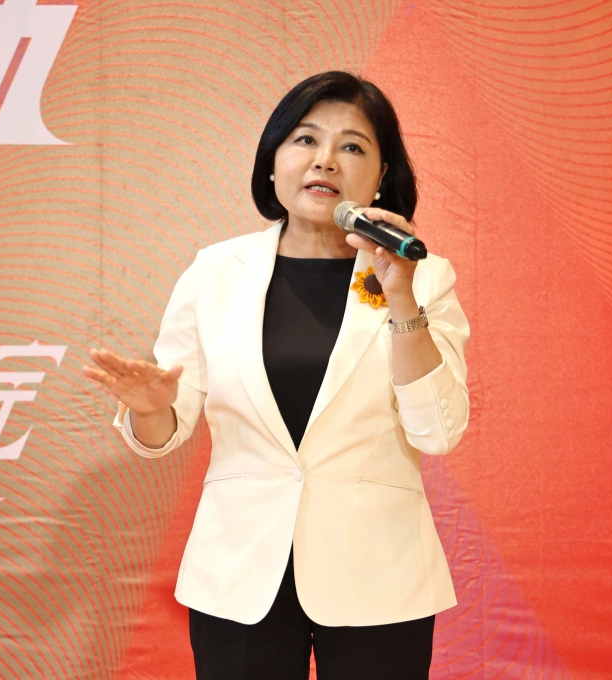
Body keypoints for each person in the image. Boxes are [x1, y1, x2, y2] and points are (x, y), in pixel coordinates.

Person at [84, 71, 471, 680]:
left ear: (381, 176)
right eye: (305, 139)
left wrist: (401, 297)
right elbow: (163, 433)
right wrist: (151, 405)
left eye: (351, 146)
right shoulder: (215, 273)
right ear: (272, 163)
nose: (325, 160)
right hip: (239, 570)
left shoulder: (424, 277)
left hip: (378, 571)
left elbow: (437, 432)